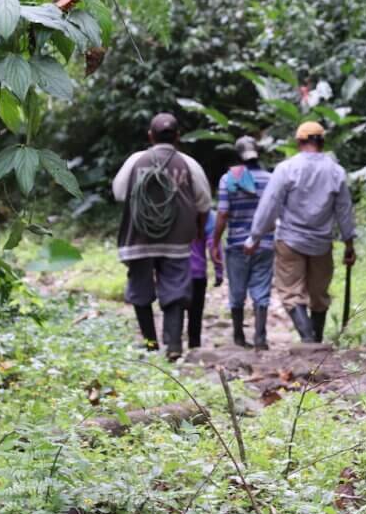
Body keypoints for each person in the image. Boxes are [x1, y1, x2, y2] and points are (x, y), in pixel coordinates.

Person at [113, 113, 213, 361]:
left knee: (140, 289)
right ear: (178, 136)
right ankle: (174, 345)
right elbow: (204, 203)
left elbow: (119, 193)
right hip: (176, 240)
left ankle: (150, 345)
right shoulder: (188, 164)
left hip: (139, 238)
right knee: (176, 289)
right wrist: (197, 231)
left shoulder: (136, 160)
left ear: (150, 136)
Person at [246, 122, 356, 343]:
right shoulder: (336, 171)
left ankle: (308, 339)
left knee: (291, 292)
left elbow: (270, 204)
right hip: (321, 243)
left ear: (299, 142)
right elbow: (344, 210)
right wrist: (349, 243)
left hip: (290, 240)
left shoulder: (287, 169)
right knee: (319, 294)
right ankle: (315, 341)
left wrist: (255, 237)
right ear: (322, 142)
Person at [211, 137, 274, 350]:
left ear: (238, 156)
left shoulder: (228, 179)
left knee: (237, 292)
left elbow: (223, 213)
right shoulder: (271, 179)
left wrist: (215, 242)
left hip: (237, 243)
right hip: (265, 242)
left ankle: (238, 337)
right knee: (261, 291)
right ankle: (260, 338)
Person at [186, 210, 217, 350]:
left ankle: (173, 345)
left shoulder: (173, 209)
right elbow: (213, 245)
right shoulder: (208, 215)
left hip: (175, 272)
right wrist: (219, 271)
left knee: (175, 309)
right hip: (198, 273)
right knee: (196, 314)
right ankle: (194, 345)